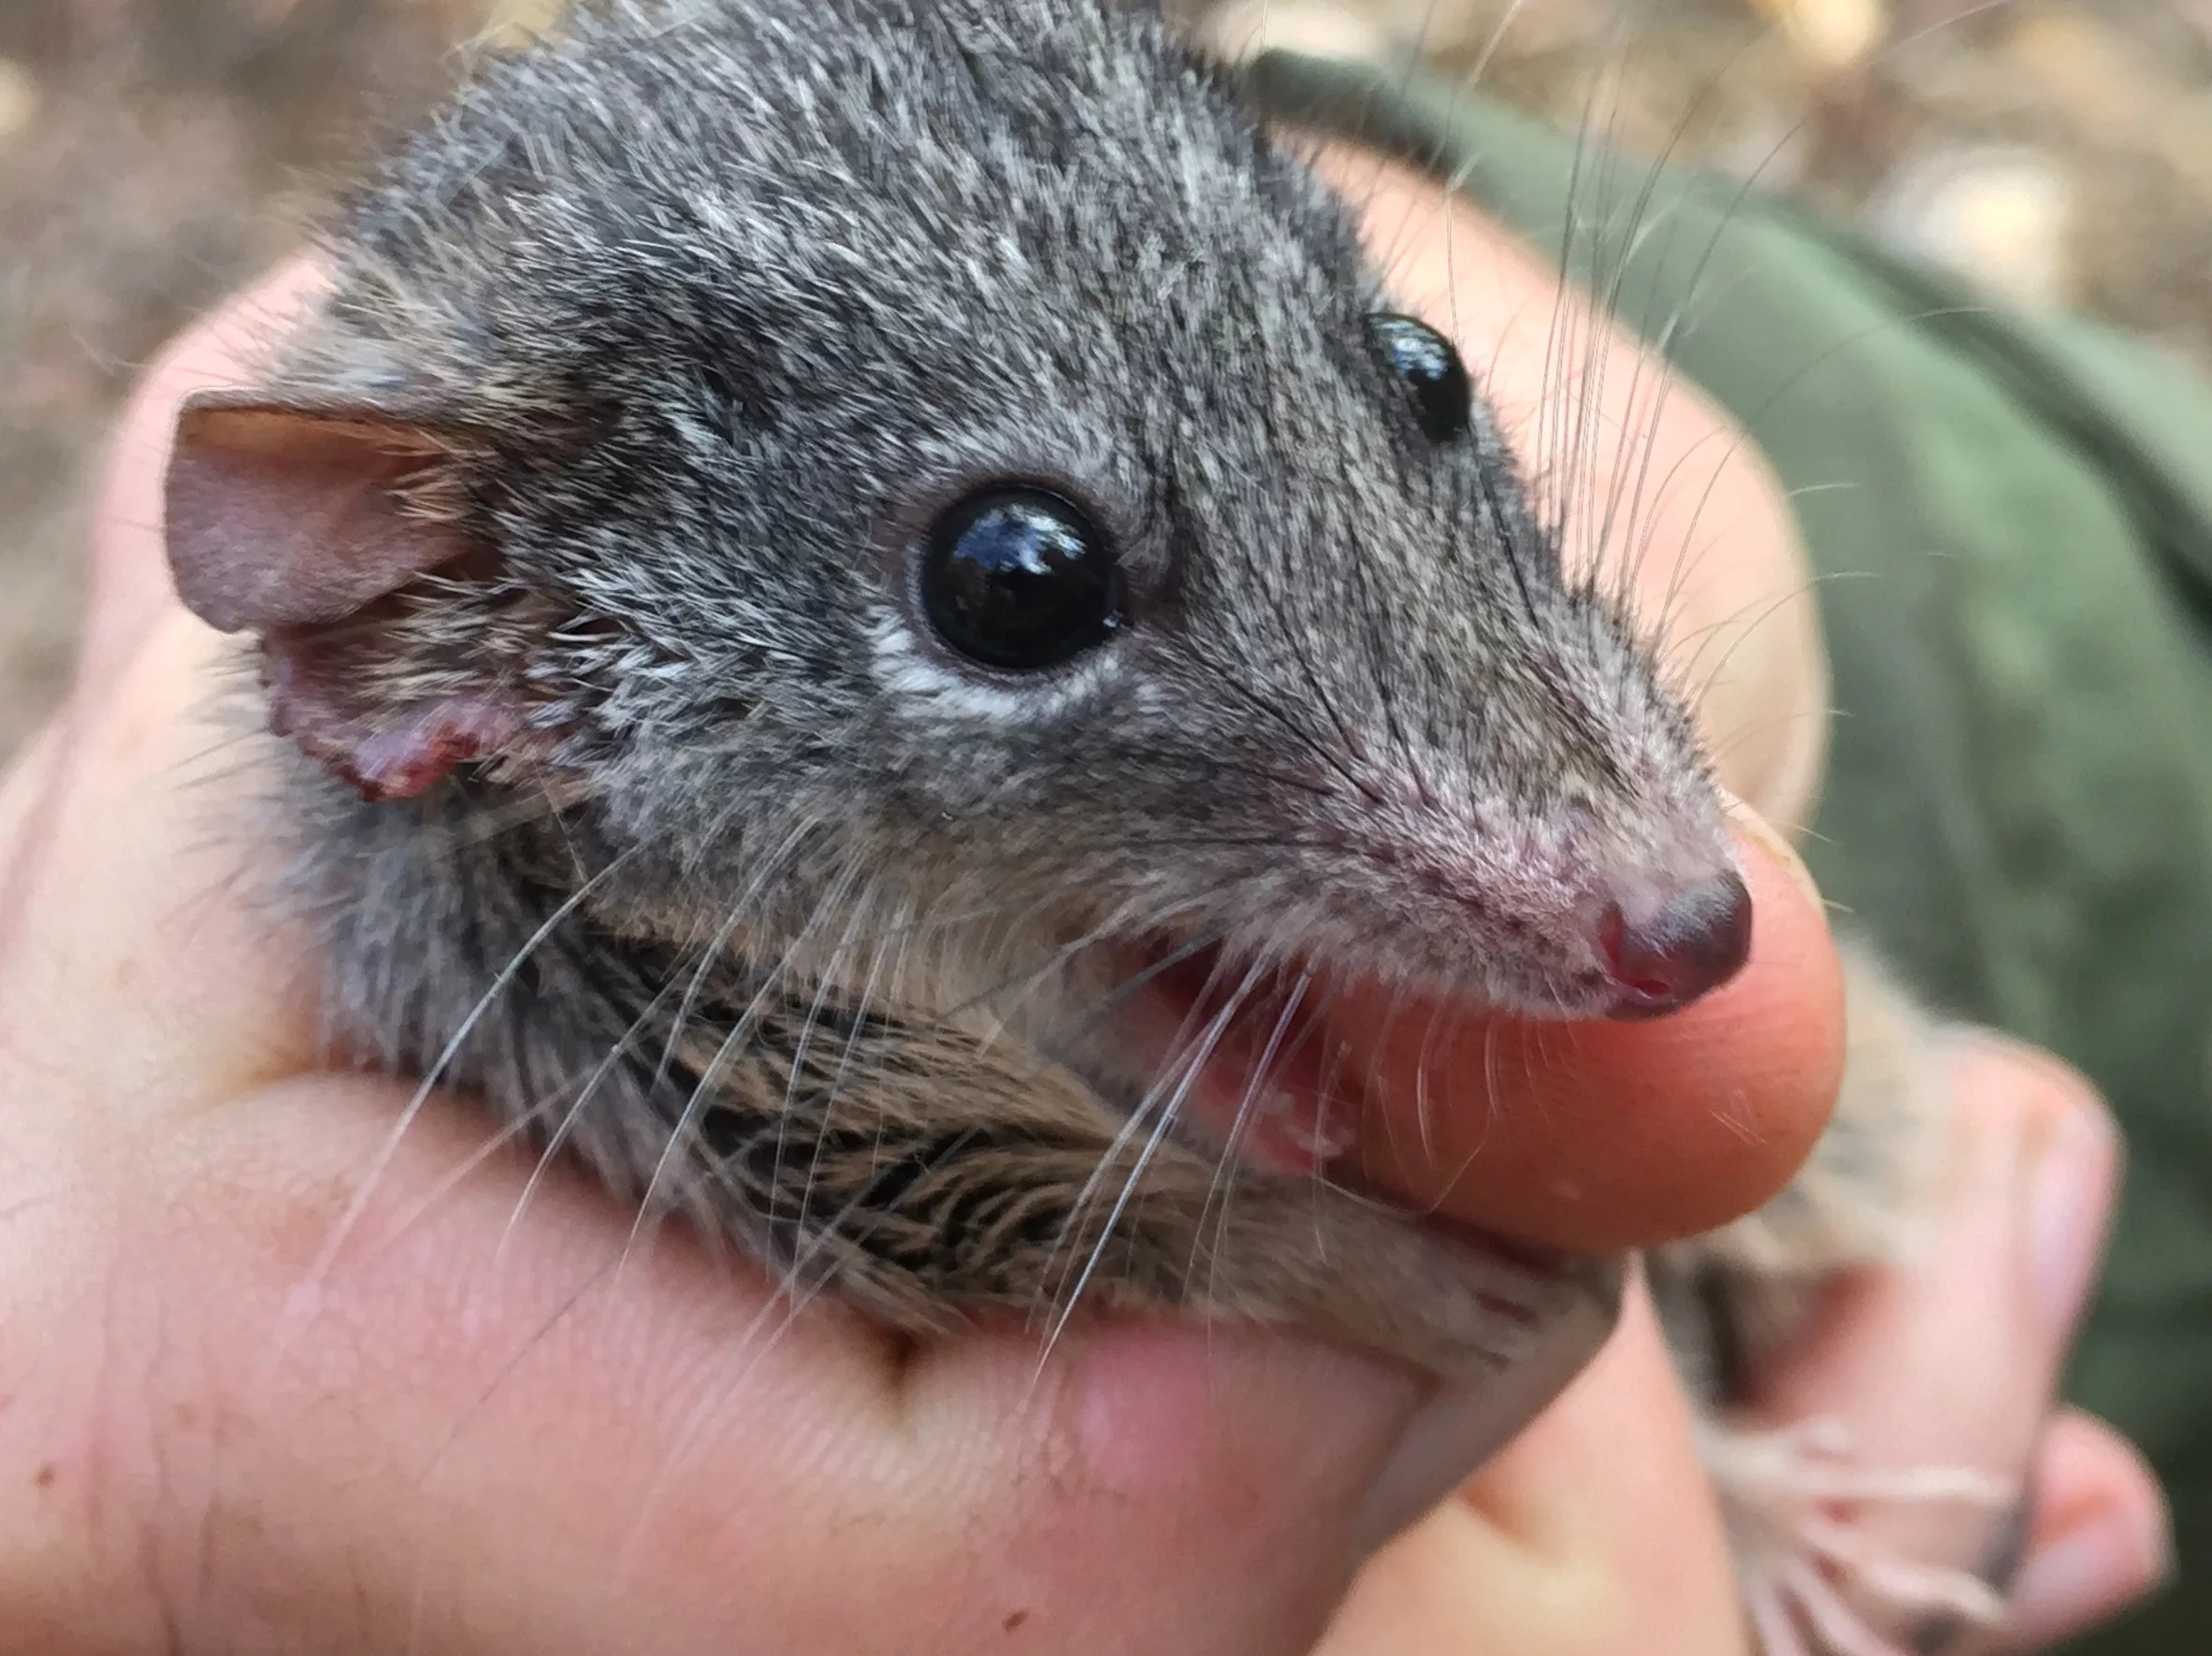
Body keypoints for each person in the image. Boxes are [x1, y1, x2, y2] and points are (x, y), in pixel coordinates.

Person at [0, 91, 2171, 1650]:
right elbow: (913, 1212)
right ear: (461, 635)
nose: (1643, 873)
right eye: (1015, 586)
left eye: (1406, 380)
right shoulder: (519, 964)